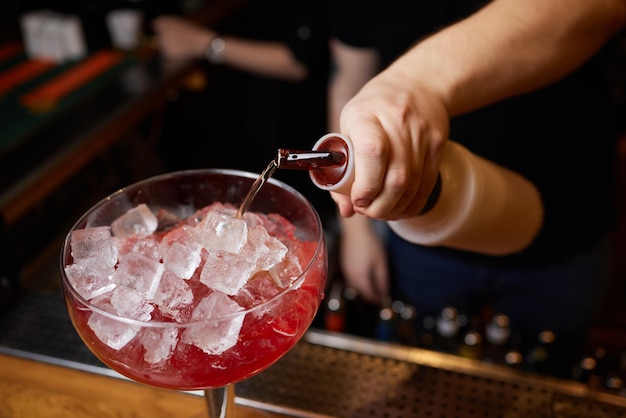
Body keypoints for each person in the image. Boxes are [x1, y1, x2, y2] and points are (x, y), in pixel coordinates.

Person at [329, 0, 626, 376]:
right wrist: (356, 230)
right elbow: (348, 78)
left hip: (564, 218)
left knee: (544, 377)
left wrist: (413, 83)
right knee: (420, 374)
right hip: (421, 223)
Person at [151, 0, 335, 225]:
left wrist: (204, 43)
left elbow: (300, 58)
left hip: (294, 116)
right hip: (243, 115)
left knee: (294, 214)